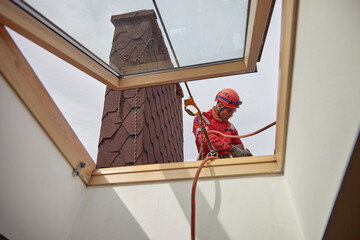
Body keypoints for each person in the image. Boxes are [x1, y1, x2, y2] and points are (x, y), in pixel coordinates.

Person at [192, 88, 252, 159]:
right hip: (208, 163)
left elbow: (238, 147)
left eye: (233, 111)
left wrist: (243, 154)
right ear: (220, 106)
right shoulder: (202, 119)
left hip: (226, 164)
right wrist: (230, 149)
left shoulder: (230, 127)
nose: (231, 115)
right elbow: (204, 139)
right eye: (229, 111)